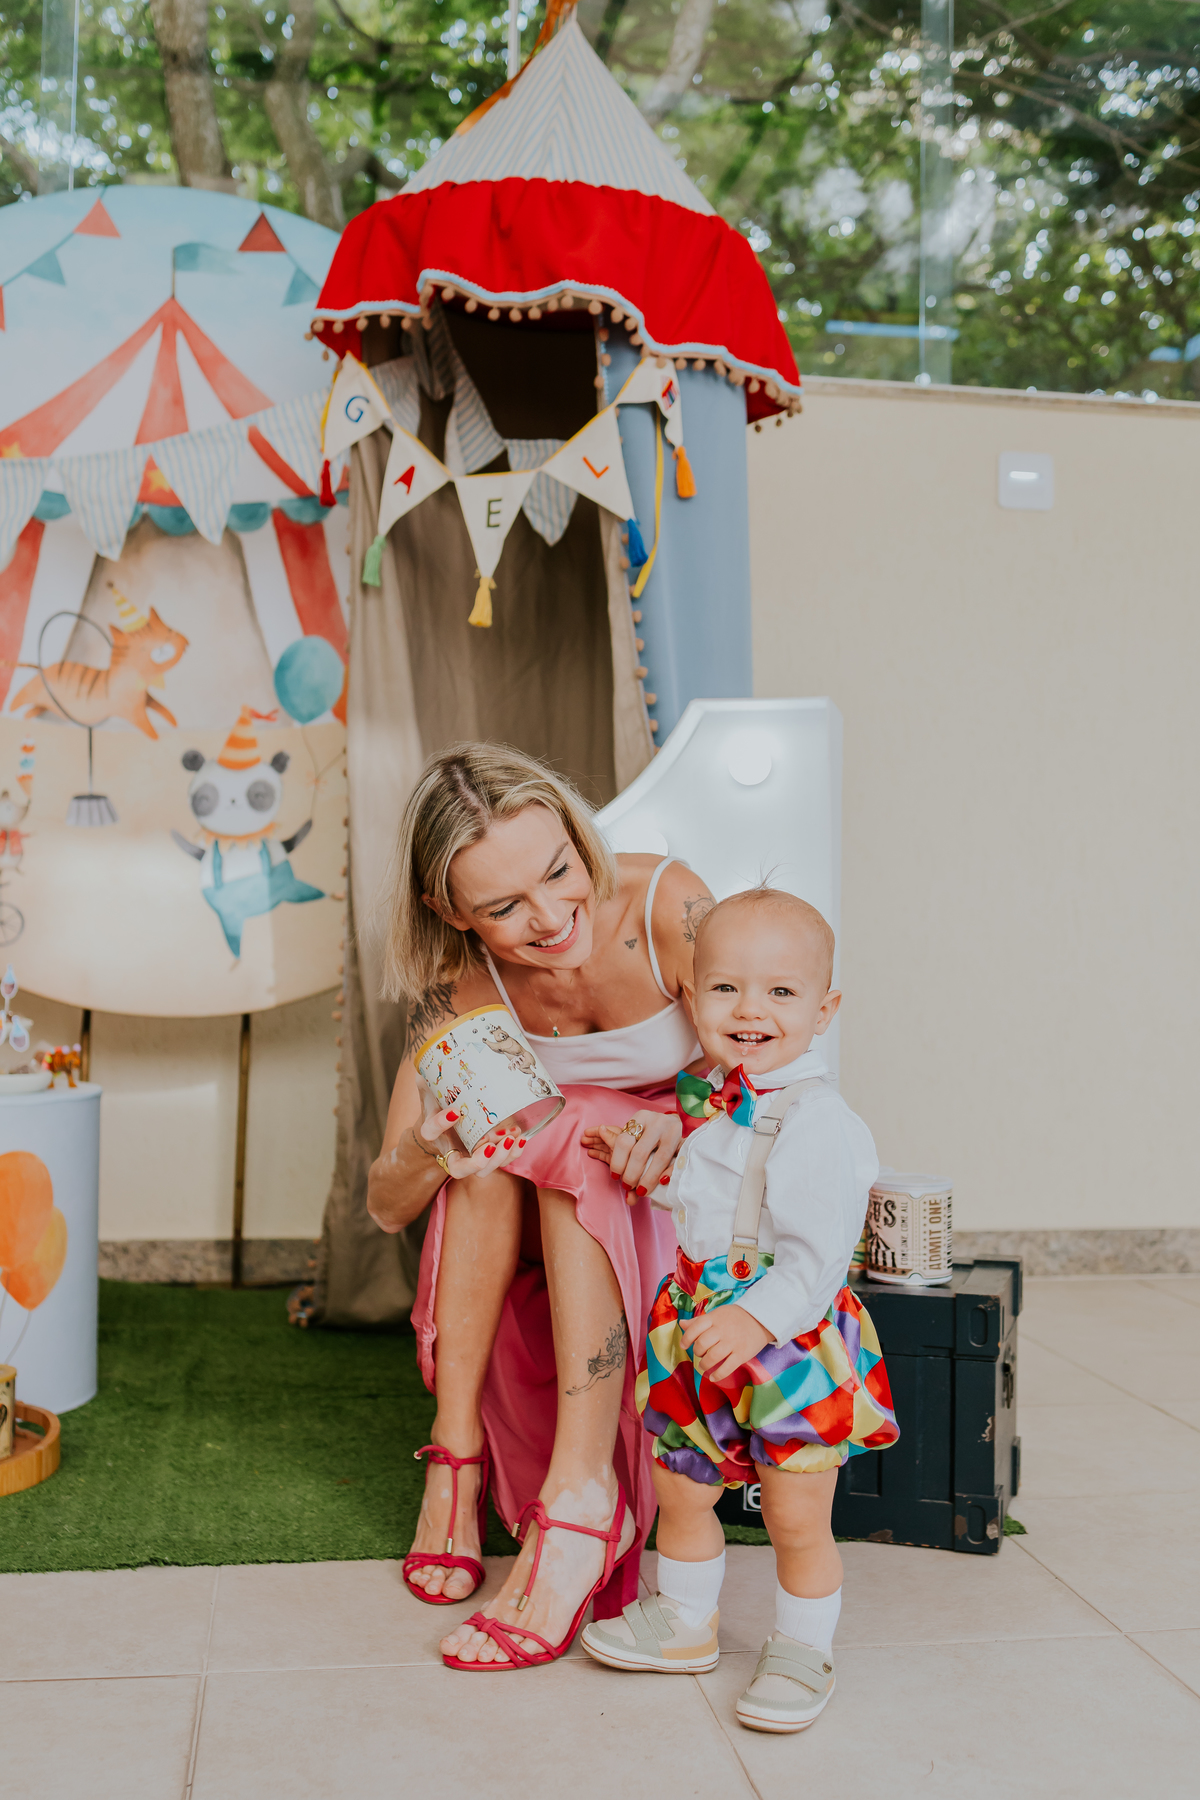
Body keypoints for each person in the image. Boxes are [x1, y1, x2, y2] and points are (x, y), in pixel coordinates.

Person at [366, 744, 712, 1669]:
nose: (553, 918)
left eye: (559, 870)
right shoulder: (460, 990)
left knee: (577, 1130)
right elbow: (387, 1204)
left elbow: (774, 1079)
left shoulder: (667, 908)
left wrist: (682, 1125)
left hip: (668, 1197)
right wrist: (434, 1142)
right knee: (483, 1157)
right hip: (536, 1223)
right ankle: (456, 1452)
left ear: (576, 833)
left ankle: (583, 1495)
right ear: (451, 911)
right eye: (504, 908)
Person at [580, 887, 899, 1732]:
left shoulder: (821, 1122)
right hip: (695, 1326)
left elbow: (818, 1257)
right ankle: (685, 1619)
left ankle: (802, 1648)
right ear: (693, 998)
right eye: (726, 988)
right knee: (681, 1484)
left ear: (824, 1010)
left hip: (784, 1340)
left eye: (781, 992)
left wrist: (755, 1320)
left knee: (794, 1511)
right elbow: (711, 1207)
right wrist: (653, 1172)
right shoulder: (718, 1102)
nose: (750, 1010)